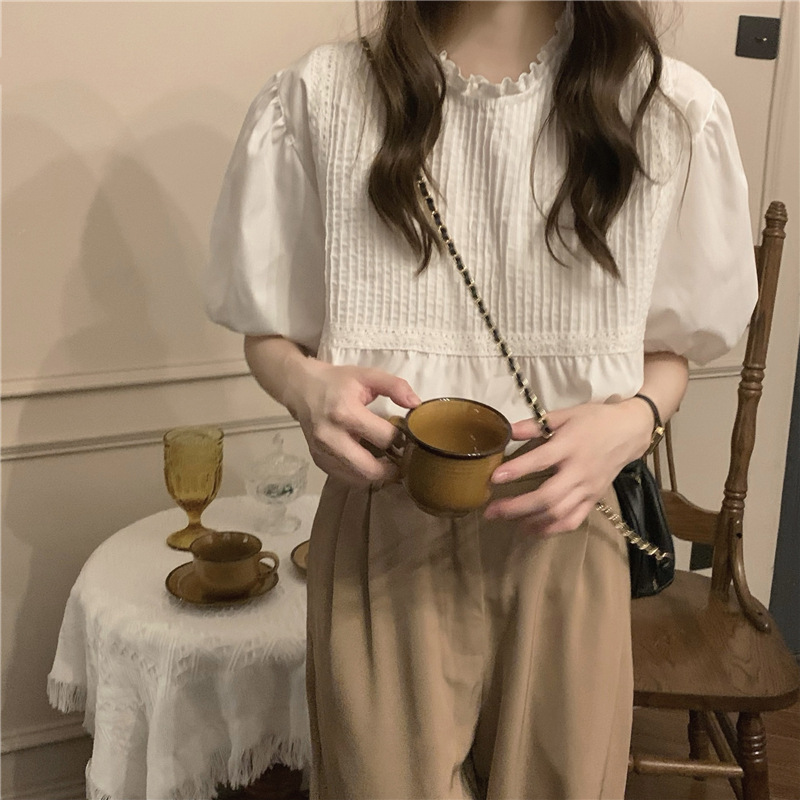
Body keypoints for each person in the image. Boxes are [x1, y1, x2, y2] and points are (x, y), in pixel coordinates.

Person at [206, 2, 757, 797]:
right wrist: (304, 388)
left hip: (565, 529)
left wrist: (633, 422)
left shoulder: (666, 110)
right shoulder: (320, 97)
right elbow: (268, 331)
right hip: (386, 522)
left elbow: (674, 348)